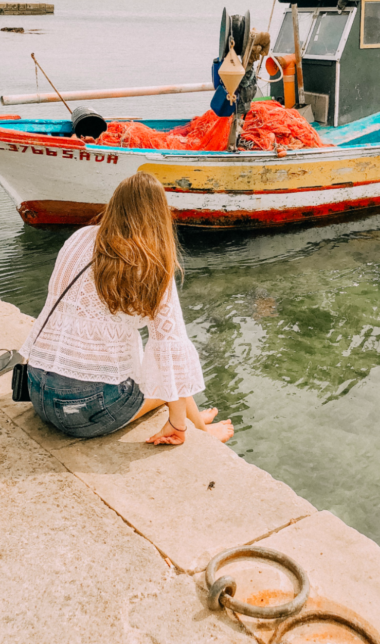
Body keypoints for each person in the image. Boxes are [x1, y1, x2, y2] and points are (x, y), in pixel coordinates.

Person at [21, 172, 234, 444]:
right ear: (158, 215)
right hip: (84, 411)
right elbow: (171, 351)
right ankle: (196, 428)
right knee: (168, 377)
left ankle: (196, 421)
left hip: (38, 391)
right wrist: (177, 426)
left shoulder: (80, 237)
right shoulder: (151, 263)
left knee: (164, 372)